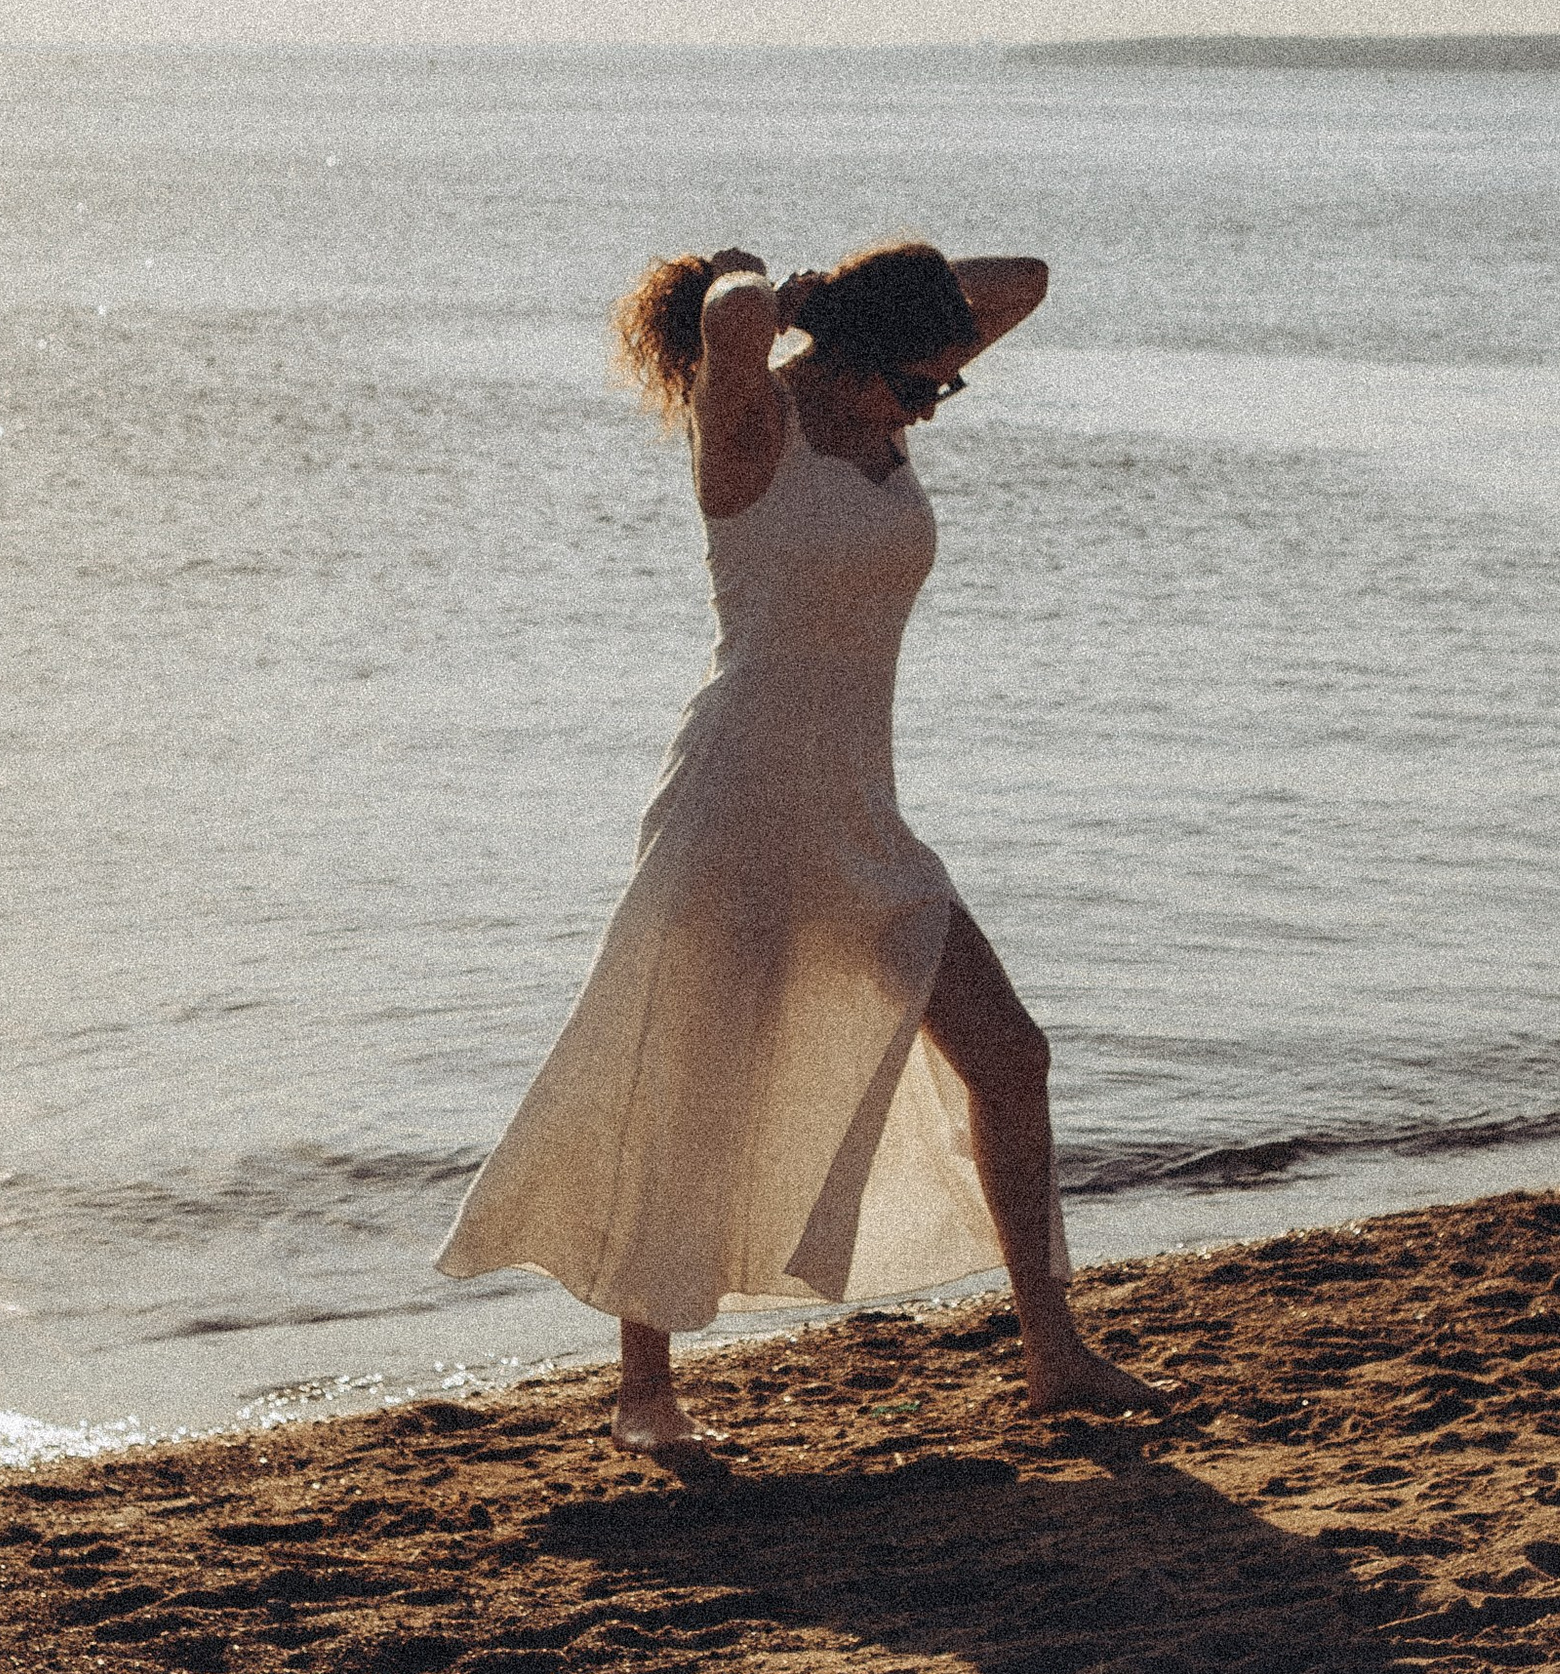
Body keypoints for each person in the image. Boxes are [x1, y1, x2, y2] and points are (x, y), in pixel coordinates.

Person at [435, 237, 1161, 1447]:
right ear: (850, 362)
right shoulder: (748, 427)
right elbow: (728, 318)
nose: (935, 405)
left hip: (860, 811)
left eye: (947, 387)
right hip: (741, 801)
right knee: (688, 1083)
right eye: (920, 384)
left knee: (1011, 1057)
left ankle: (1055, 1355)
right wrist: (755, 285)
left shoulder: (887, 400)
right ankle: (645, 1397)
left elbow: (1022, 278)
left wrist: (838, 300)